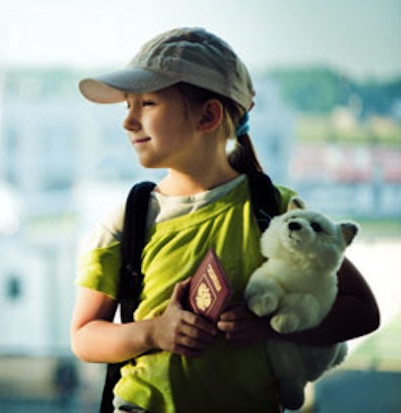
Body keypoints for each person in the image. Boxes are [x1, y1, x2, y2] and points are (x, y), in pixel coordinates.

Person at [69, 27, 380, 413]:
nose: (128, 121)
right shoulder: (130, 219)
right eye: (126, 105)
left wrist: (270, 325)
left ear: (209, 115)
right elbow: (84, 337)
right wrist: (154, 331)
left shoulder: (278, 212)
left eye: (146, 104)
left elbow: (363, 311)